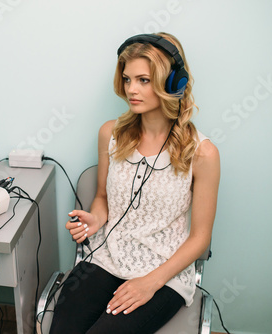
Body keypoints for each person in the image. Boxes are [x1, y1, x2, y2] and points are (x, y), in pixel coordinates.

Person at [50, 33, 220, 333]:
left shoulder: (202, 153)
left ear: (173, 83)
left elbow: (200, 238)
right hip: (106, 256)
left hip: (165, 271)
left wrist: (149, 283)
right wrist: (95, 219)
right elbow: (102, 197)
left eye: (143, 80)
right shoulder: (110, 134)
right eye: (127, 79)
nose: (131, 89)